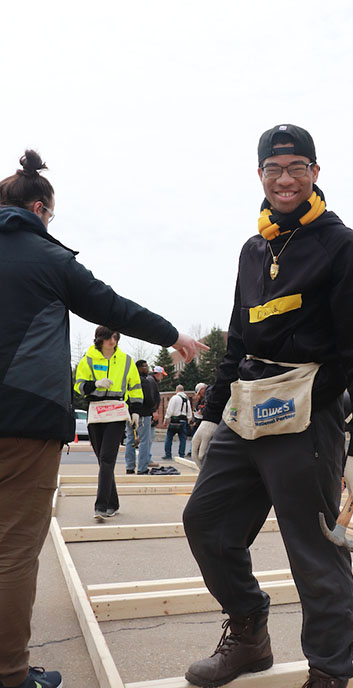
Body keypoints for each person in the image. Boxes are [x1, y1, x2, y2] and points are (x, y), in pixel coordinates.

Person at [183, 124, 353, 688]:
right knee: (206, 522)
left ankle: (329, 671)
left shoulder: (340, 245)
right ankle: (249, 636)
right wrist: (208, 411)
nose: (285, 179)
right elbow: (238, 337)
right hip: (246, 413)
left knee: (314, 548)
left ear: (316, 173)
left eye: (297, 167)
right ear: (260, 177)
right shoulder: (254, 248)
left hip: (307, 416)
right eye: (274, 170)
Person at [0, 149, 206, 688]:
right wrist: (173, 335)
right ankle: (9, 673)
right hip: (23, 421)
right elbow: (111, 305)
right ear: (40, 209)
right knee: (15, 549)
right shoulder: (49, 259)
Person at [75, 328, 143, 516]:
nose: (112, 341)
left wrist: (136, 412)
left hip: (116, 411)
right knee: (102, 460)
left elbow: (135, 388)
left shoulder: (126, 360)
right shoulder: (88, 359)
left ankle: (101, 505)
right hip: (96, 411)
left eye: (115, 337)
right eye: (108, 337)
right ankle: (114, 503)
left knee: (107, 458)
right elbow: (78, 386)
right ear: (100, 338)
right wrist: (94, 384)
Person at [125, 360, 157, 474]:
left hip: (129, 414)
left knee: (130, 439)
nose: (147, 368)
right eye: (145, 367)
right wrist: (153, 409)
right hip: (143, 414)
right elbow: (149, 399)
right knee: (144, 441)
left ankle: (129, 467)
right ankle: (142, 468)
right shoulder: (144, 382)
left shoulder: (128, 380)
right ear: (138, 368)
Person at [162, 385, 192, 459]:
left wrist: (166, 419)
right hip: (183, 421)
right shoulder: (187, 400)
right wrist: (188, 420)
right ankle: (181, 455)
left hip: (174, 420)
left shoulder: (174, 398)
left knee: (169, 437)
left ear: (176, 390)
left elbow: (170, 410)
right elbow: (189, 413)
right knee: (182, 439)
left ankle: (168, 454)